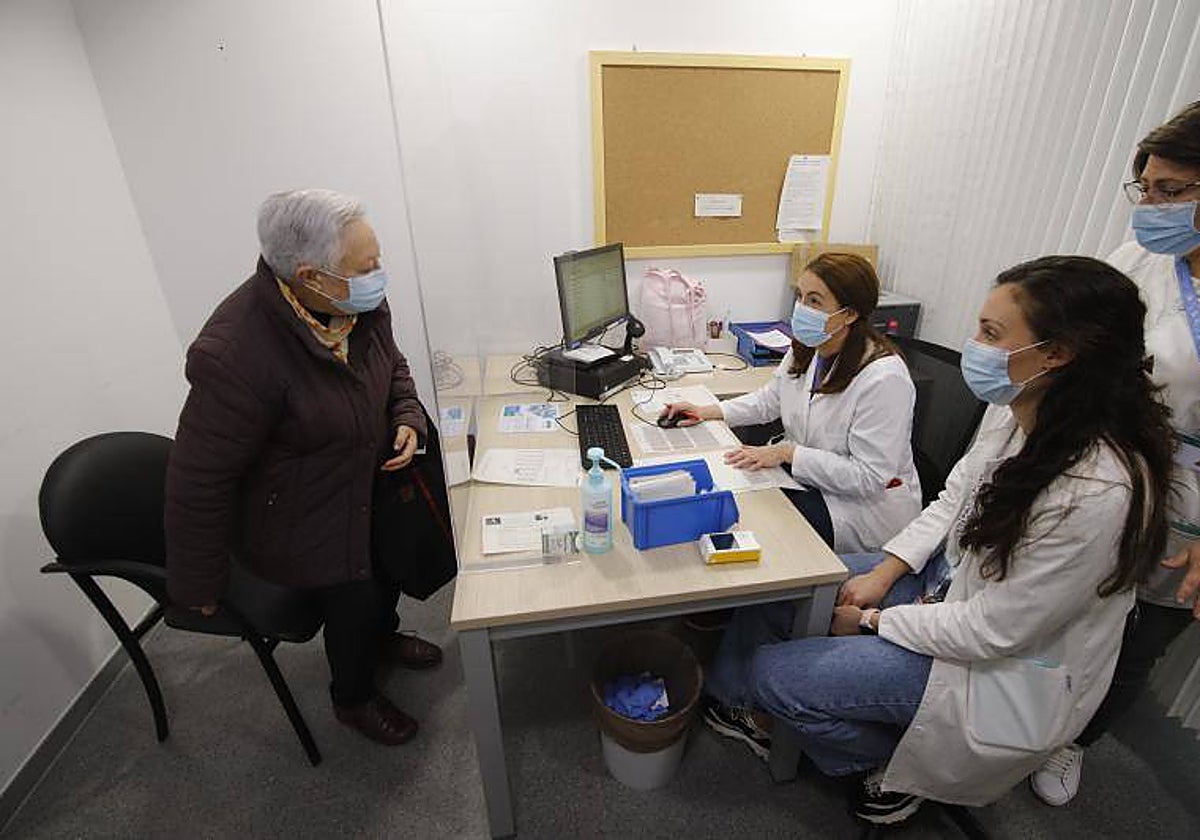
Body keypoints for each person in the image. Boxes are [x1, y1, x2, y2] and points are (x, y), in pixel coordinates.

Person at [703, 256, 1174, 825]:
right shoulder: (1020, 408)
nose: (971, 344)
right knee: (788, 583)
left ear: (1057, 353)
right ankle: (757, 710)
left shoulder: (1094, 491)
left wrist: (873, 620)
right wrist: (885, 572)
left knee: (774, 673)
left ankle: (895, 765)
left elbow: (992, 630)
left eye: (991, 334)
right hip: (945, 581)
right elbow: (951, 498)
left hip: (993, 664)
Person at [165, 189, 443, 747]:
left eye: (377, 259)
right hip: (301, 515)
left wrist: (407, 415)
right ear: (312, 277)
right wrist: (197, 583)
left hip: (365, 482)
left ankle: (381, 638)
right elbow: (199, 476)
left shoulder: (354, 303)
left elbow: (392, 367)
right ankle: (353, 697)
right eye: (366, 267)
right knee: (354, 596)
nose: (379, 275)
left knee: (386, 571)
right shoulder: (235, 353)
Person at [1029, 100, 1200, 805]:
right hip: (1113, 464)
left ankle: (1072, 741)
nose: (1150, 206)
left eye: (1171, 191)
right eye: (1145, 188)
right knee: (1070, 603)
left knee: (1140, 636)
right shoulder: (1144, 259)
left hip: (1190, 500)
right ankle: (1020, 720)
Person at [662, 252, 921, 553]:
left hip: (860, 511)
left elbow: (870, 477)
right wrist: (711, 411)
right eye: (800, 296)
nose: (801, 308)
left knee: (759, 531)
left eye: (814, 301)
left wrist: (787, 454)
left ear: (849, 314)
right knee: (731, 501)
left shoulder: (883, 378)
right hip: (811, 484)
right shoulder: (809, 347)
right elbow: (769, 401)